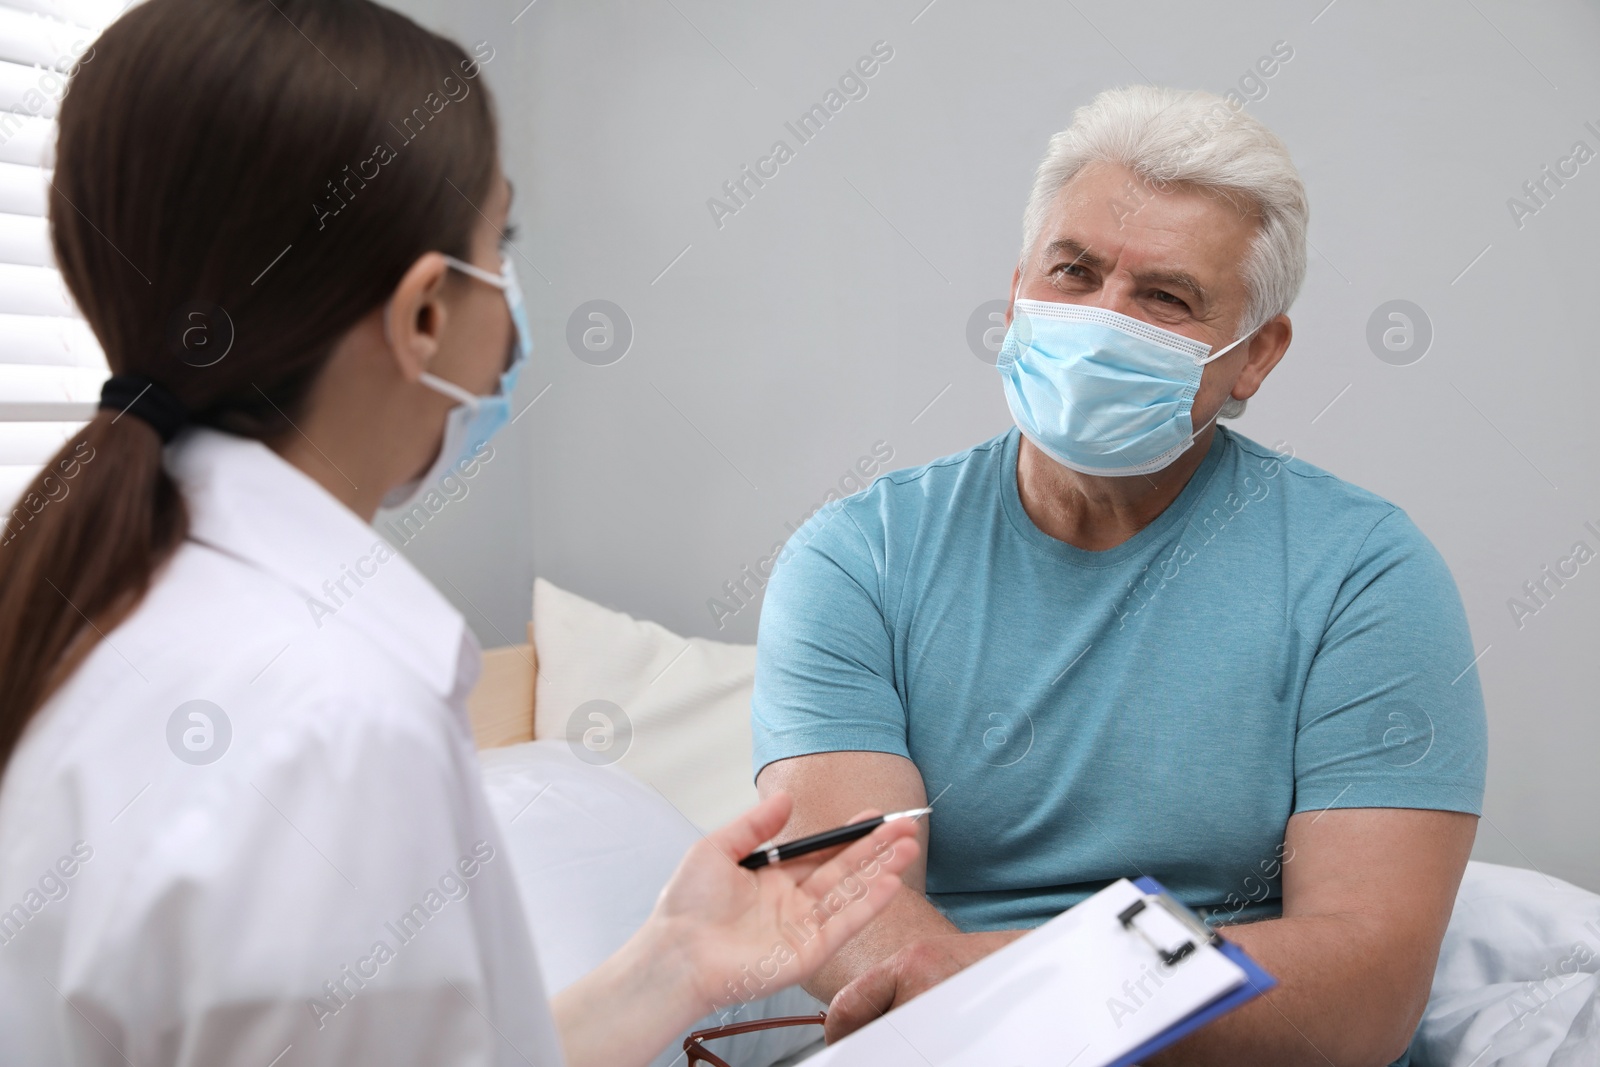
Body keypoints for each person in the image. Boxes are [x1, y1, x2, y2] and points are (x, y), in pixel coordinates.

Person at [0, 2, 918, 1065]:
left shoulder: (86, 605)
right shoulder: (338, 718)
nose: (510, 302)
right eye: (503, 241)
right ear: (426, 311)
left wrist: (672, 961)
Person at [753, 86, 1487, 1066]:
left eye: (1164, 298)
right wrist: (988, 1017)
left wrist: (1037, 998)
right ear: (1016, 294)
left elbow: (1364, 988)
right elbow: (845, 909)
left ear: (1254, 357)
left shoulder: (1365, 575)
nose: (1101, 319)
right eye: (1074, 271)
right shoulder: (856, 557)